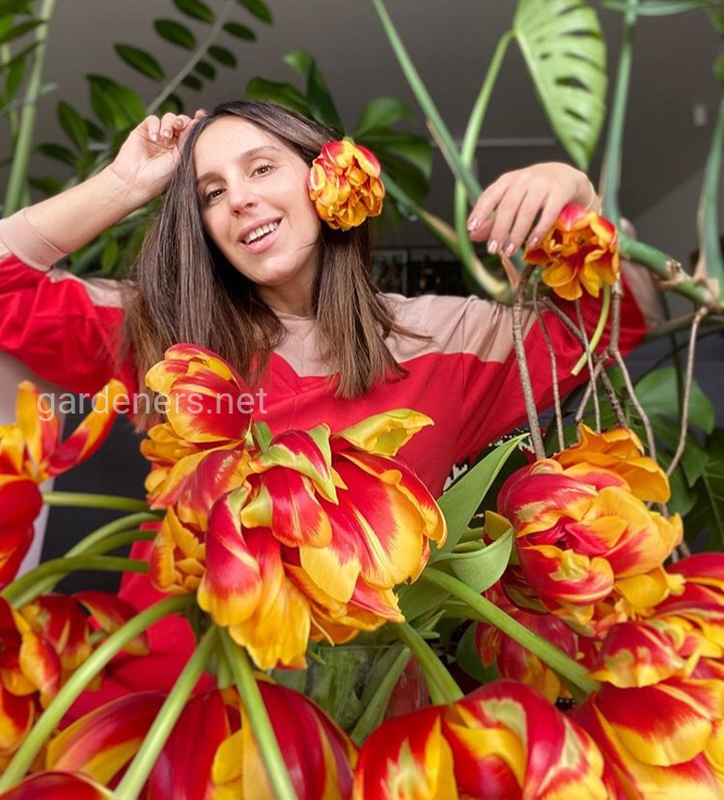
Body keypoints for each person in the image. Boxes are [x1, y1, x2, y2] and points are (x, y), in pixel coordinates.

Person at [0, 101, 657, 702]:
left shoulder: (447, 339)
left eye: (262, 168)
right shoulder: (160, 331)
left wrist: (575, 193)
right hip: (173, 707)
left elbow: (610, 323)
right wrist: (127, 184)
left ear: (327, 179)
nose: (240, 201)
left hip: (362, 720)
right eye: (212, 194)